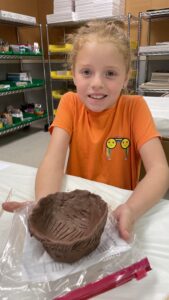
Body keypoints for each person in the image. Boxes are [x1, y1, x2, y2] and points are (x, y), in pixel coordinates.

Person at [3, 20, 169, 241]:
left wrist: (131, 209)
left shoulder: (134, 108)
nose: (97, 83)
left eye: (110, 73)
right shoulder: (70, 103)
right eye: (87, 72)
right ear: (73, 74)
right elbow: (54, 159)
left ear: (126, 75)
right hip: (76, 210)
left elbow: (159, 169)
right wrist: (44, 204)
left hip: (117, 205)